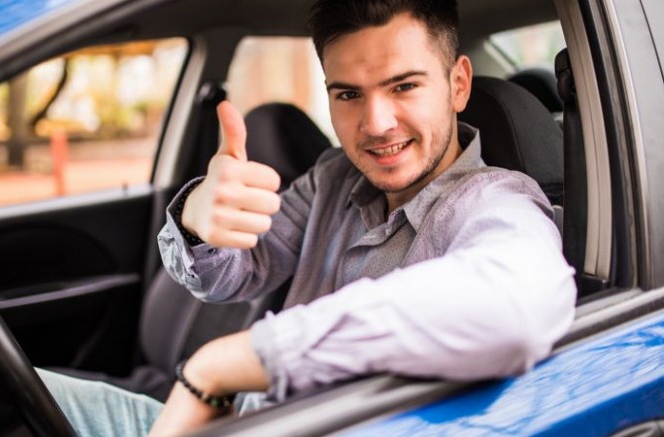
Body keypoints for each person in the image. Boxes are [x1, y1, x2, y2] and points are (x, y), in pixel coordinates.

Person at [40, 0, 577, 435]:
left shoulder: (495, 200)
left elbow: (517, 306)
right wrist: (200, 219)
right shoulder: (334, 177)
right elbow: (234, 275)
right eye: (348, 94)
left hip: (249, 410)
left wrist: (225, 365)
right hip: (229, 418)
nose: (376, 123)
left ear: (458, 84)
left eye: (404, 86)